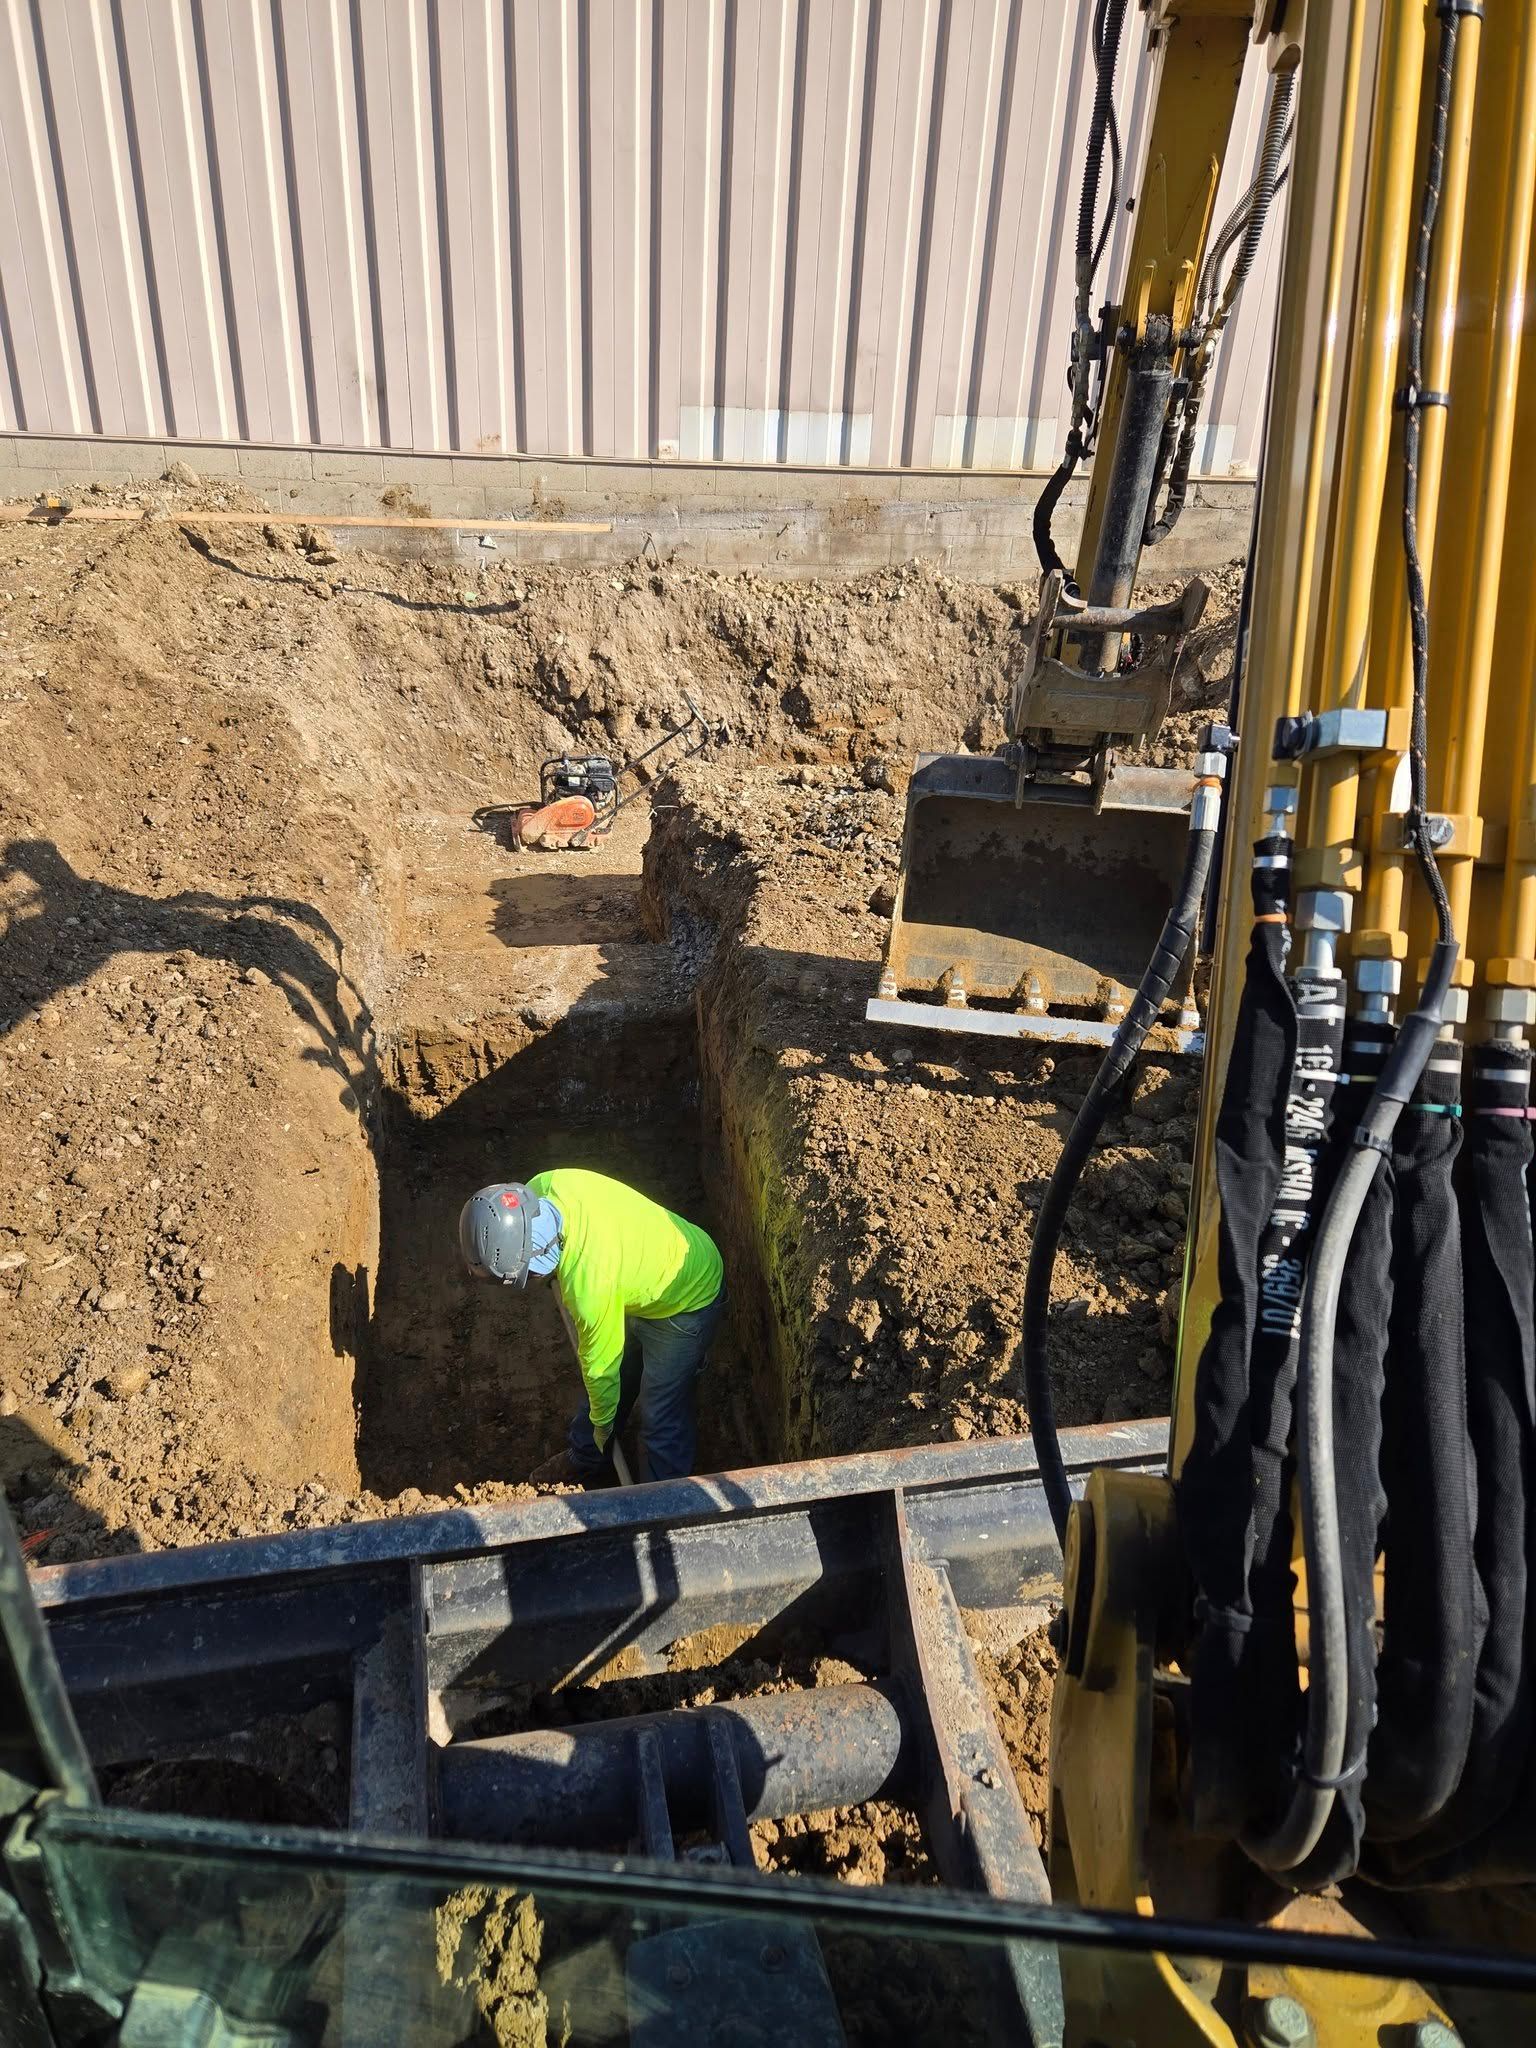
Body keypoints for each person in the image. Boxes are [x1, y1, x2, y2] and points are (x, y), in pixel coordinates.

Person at [458, 1168, 725, 1486]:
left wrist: (602, 1430)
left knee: (659, 1414)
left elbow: (601, 1370)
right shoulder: (545, 1186)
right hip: (655, 1263)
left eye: (528, 1275)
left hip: (688, 1301)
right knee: (623, 1375)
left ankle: (662, 1500)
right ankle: (584, 1457)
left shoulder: (590, 1287)